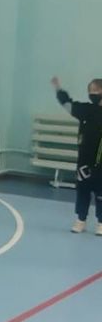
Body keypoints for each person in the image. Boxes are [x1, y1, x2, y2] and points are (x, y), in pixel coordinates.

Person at [52, 76, 102, 236]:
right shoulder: (86, 110)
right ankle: (81, 219)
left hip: (101, 163)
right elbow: (68, 104)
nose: (93, 94)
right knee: (83, 191)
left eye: (96, 90)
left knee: (101, 193)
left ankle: (101, 222)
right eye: (90, 91)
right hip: (84, 161)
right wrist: (59, 89)